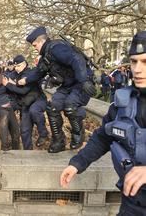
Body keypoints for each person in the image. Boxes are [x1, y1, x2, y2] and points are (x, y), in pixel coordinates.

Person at [60, 30, 146, 216]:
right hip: (132, 204)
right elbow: (103, 137)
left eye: (145, 62)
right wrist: (77, 163)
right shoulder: (123, 104)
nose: (137, 69)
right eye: (134, 61)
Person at [20, 26, 96, 153]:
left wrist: (84, 81)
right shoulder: (46, 56)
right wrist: (25, 80)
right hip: (68, 86)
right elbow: (39, 72)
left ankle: (78, 134)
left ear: (41, 42)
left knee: (70, 106)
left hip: (81, 83)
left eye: (35, 45)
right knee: (52, 107)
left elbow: (76, 59)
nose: (35, 49)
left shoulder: (56, 48)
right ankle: (58, 141)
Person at [3, 54, 48, 149]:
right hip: (25, 105)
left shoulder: (30, 74)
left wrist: (9, 84)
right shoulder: (15, 74)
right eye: (15, 66)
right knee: (24, 131)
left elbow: (23, 91)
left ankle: (43, 134)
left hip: (36, 101)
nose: (16, 68)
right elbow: (6, 78)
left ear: (24, 64)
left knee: (35, 112)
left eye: (18, 66)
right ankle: (28, 153)